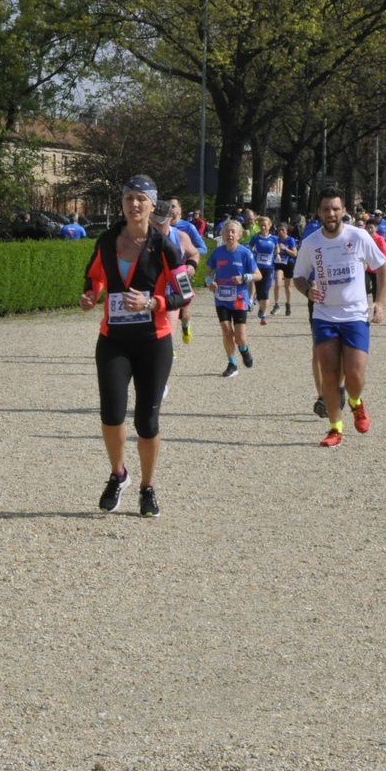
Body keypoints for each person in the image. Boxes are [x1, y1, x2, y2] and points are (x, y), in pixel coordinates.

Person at [79, 175, 185, 517]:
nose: (135, 204)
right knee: (111, 413)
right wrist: (90, 295)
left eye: (141, 198)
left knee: (146, 421)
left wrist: (153, 303)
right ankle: (118, 474)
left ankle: (147, 488)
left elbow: (185, 293)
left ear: (153, 205)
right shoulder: (108, 240)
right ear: (122, 203)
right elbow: (94, 276)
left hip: (153, 341)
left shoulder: (164, 245)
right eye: (129, 198)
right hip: (113, 339)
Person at [293, 188, 385, 448]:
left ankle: (356, 402)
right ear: (319, 212)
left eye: (335, 208)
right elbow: (299, 276)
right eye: (325, 209)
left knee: (355, 374)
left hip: (355, 314)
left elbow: (381, 266)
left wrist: (378, 302)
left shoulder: (358, 236)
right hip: (324, 315)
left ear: (344, 210)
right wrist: (306, 290)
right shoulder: (311, 243)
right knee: (329, 374)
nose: (331, 214)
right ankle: (335, 427)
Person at [206, 219, 260, 376]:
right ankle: (232, 363)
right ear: (222, 235)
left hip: (239, 299)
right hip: (221, 297)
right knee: (226, 330)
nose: (229, 234)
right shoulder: (218, 252)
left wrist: (244, 278)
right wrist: (210, 282)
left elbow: (258, 275)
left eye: (232, 231)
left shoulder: (245, 253)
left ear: (239, 235)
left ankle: (244, 349)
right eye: (226, 231)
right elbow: (208, 271)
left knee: (240, 337)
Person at [165, 198, 205, 341]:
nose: (171, 209)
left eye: (174, 206)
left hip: (182, 274)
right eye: (168, 207)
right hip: (165, 277)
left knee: (183, 311)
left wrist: (188, 263)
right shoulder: (157, 226)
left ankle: (186, 324)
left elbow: (202, 249)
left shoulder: (187, 228)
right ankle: (169, 346)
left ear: (180, 209)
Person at [249, 215, 278, 324]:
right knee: (259, 293)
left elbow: (277, 247)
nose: (263, 227)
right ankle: (260, 307)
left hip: (269, 268)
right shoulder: (256, 238)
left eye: (265, 225)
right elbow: (249, 248)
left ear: (269, 226)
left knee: (265, 292)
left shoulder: (274, 238)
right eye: (261, 226)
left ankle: (264, 315)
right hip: (257, 268)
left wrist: (278, 254)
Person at [273, 221, 298, 316]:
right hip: (279, 263)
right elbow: (273, 252)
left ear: (286, 231)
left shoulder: (290, 240)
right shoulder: (276, 240)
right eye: (279, 230)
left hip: (289, 264)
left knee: (287, 286)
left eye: (282, 230)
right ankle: (276, 305)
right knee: (278, 283)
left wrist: (285, 249)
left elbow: (295, 254)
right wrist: (276, 250)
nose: (280, 232)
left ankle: (288, 304)